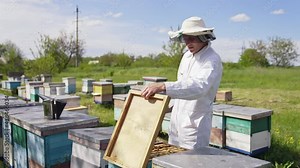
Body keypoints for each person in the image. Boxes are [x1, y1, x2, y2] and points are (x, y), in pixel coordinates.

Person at [141, 16, 223, 150]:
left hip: (194, 127)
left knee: (192, 163)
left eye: (192, 38)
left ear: (203, 37)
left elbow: (199, 87)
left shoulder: (212, 60)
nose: (188, 43)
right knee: (174, 161)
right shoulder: (186, 56)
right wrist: (165, 106)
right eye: (185, 39)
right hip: (176, 124)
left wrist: (163, 86)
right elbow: (181, 86)